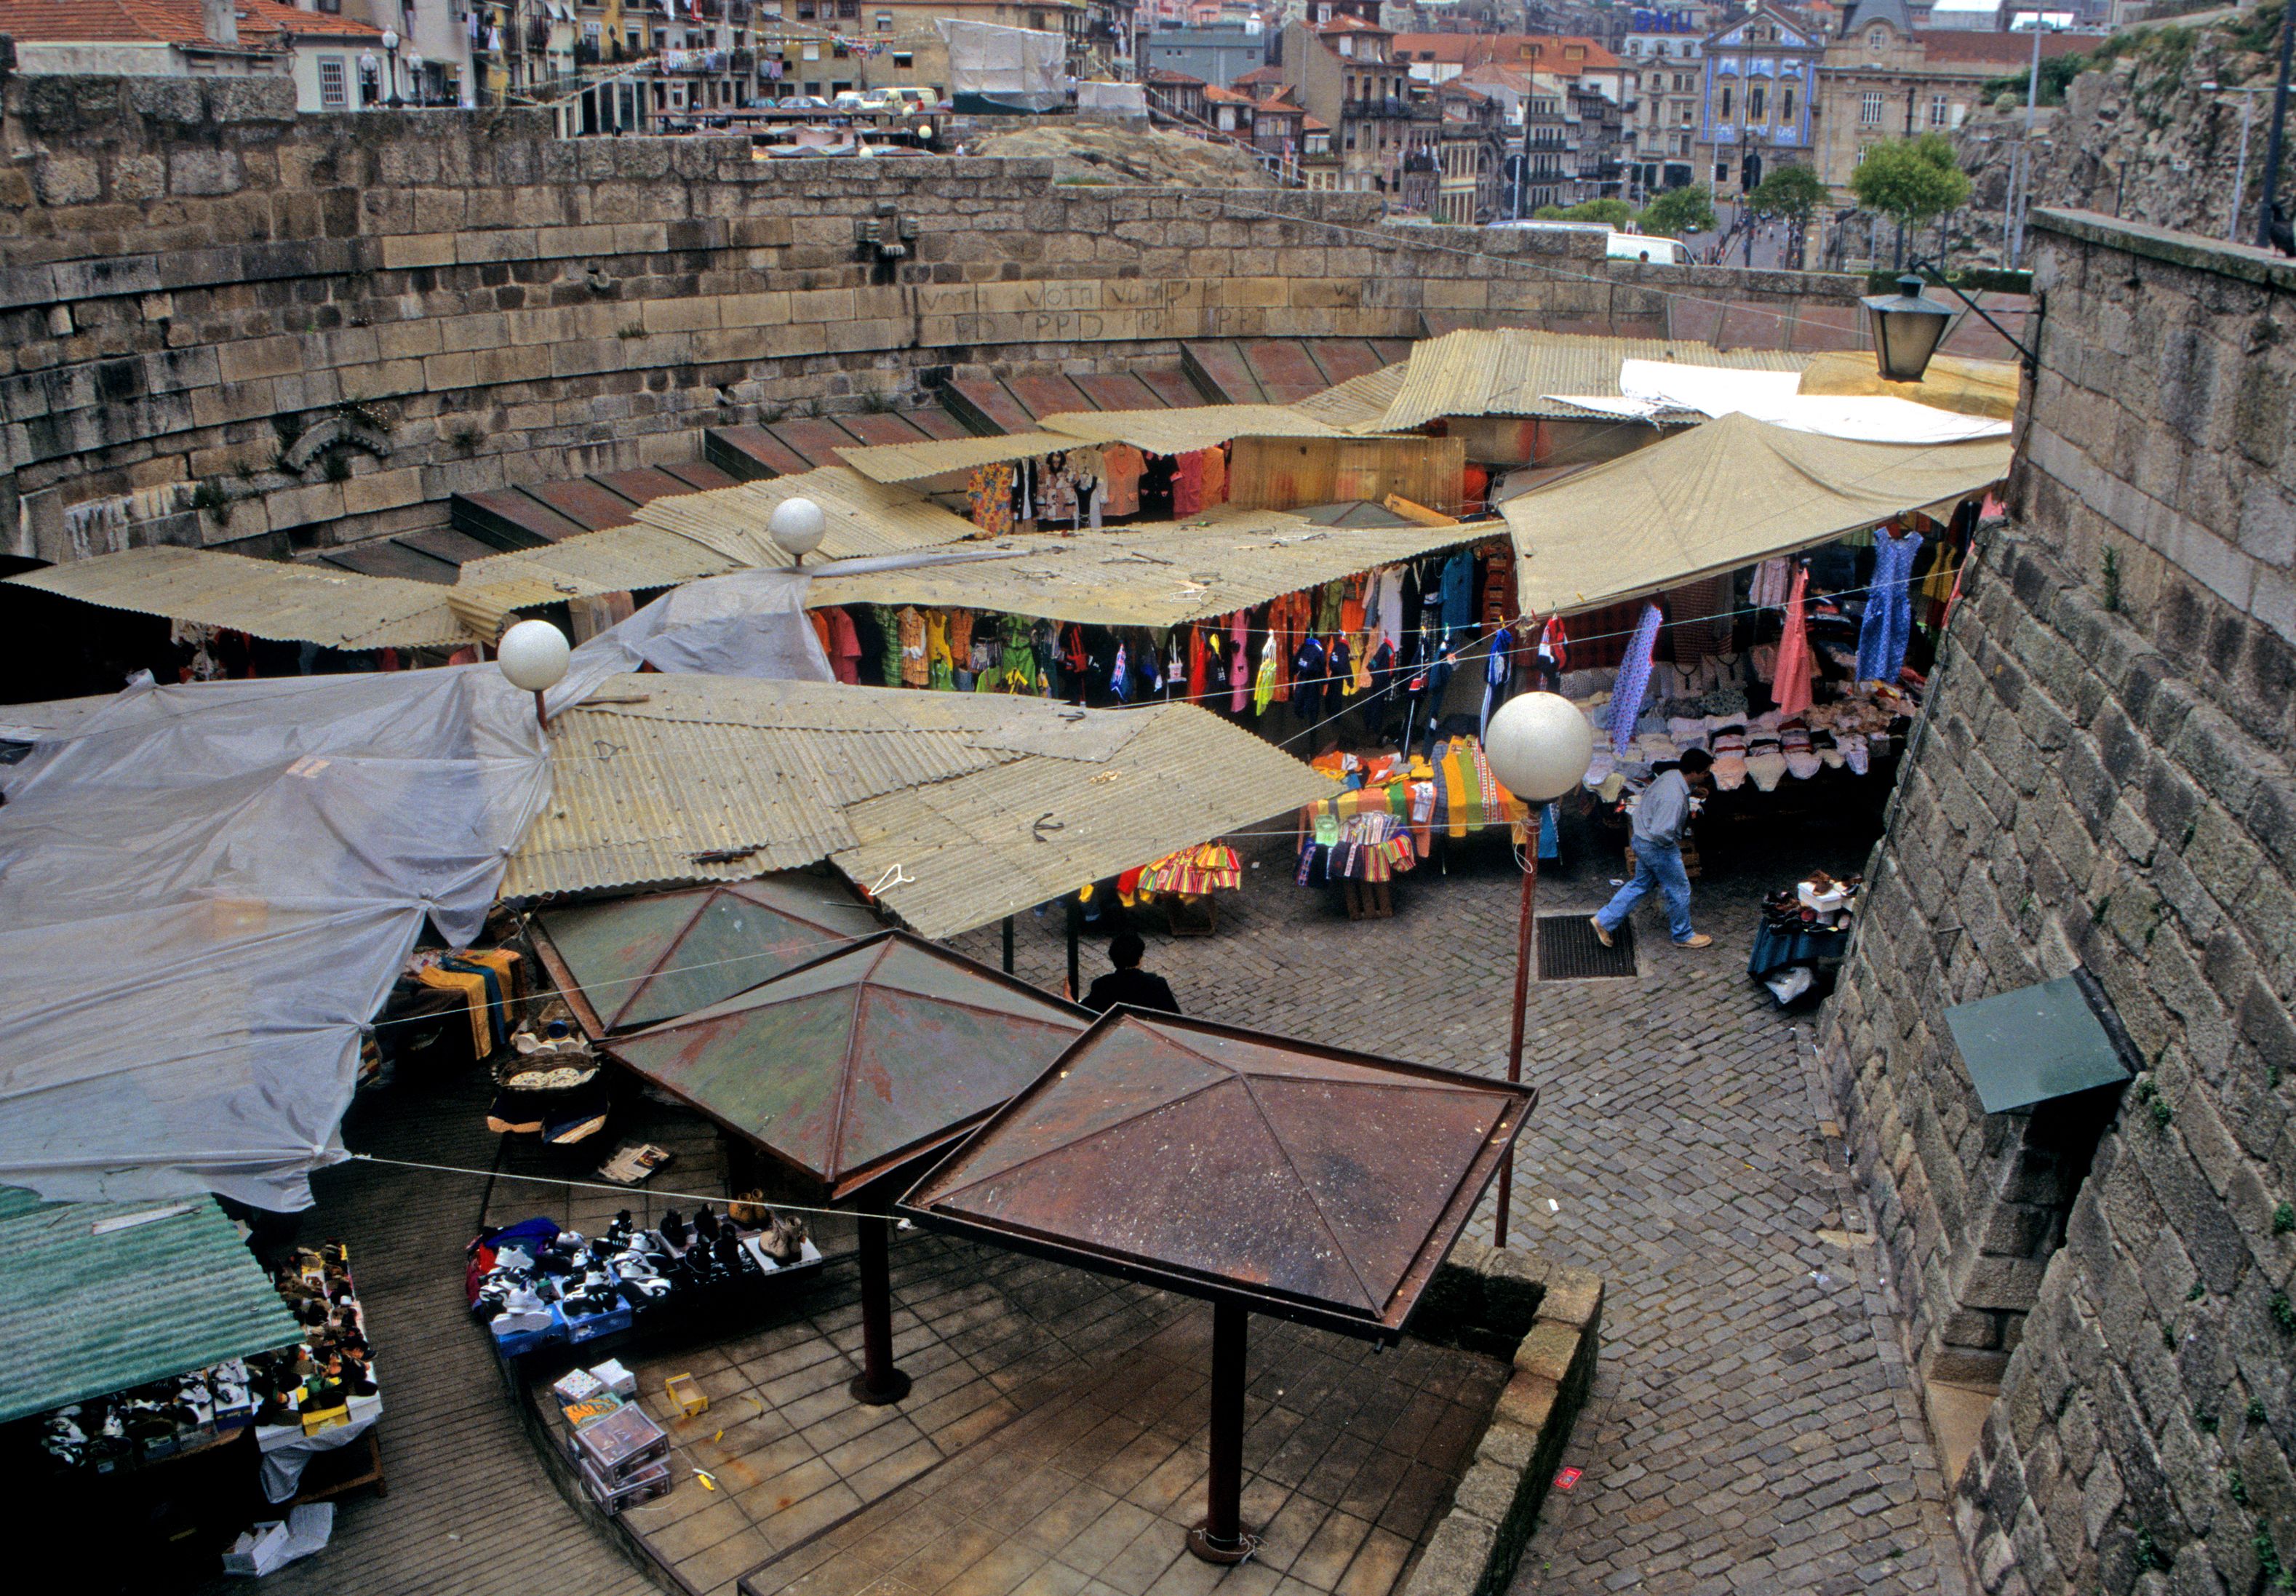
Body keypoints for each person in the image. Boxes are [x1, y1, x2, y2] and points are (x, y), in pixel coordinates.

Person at [1591, 749, 1714, 951]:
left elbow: (1662, 797)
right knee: (1680, 888)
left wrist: (1692, 790)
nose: (1706, 776)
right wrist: (1670, 848)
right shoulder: (1674, 798)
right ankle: (1683, 934)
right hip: (1658, 846)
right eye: (1705, 773)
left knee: (1640, 884)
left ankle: (1604, 920)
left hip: (1642, 838)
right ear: (1694, 772)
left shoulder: (1672, 775)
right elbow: (1662, 831)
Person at [1083, 932, 1181, 1015]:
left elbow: (1085, 1012)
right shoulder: (1156, 984)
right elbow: (1175, 1018)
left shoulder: (1102, 985)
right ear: (1139, 958)